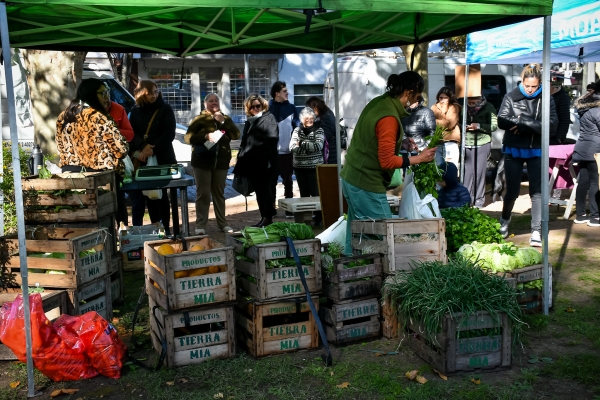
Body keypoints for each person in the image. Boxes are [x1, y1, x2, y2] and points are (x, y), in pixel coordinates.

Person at [340, 71, 437, 255]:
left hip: (353, 178)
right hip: (365, 183)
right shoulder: (389, 118)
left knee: (358, 235)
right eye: (416, 97)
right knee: (385, 238)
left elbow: (375, 140)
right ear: (407, 93)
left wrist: (401, 143)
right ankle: (382, 279)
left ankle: (351, 272)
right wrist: (419, 158)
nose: (416, 103)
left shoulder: (380, 102)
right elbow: (386, 161)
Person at [497, 63, 558, 246]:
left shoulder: (547, 99)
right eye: (527, 86)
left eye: (534, 86)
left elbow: (552, 125)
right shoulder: (510, 96)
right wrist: (533, 124)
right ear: (522, 81)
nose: (530, 90)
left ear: (539, 84)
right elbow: (502, 120)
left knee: (537, 192)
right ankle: (505, 219)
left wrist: (523, 123)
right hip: (513, 148)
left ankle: (536, 230)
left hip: (536, 149)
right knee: (512, 190)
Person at [55, 78, 129, 226]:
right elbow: (121, 150)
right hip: (102, 178)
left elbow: (60, 146)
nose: (107, 97)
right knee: (111, 220)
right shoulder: (99, 116)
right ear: (91, 94)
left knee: (80, 222)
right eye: (103, 93)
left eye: (107, 92)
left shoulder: (63, 116)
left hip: (71, 176)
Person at [185, 93, 240, 234]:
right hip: (202, 162)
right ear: (205, 104)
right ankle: (200, 226)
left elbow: (236, 135)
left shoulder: (225, 119)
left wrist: (223, 122)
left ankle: (223, 224)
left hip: (221, 163)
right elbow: (188, 138)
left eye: (216, 100)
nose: (214, 103)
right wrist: (205, 136)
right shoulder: (199, 119)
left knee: (219, 194)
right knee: (202, 193)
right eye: (211, 101)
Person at [129, 80, 177, 234]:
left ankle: (167, 228)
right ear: (142, 93)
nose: (154, 95)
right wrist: (143, 146)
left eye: (156, 91)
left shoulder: (165, 108)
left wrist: (152, 148)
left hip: (163, 157)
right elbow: (132, 134)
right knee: (147, 195)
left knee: (161, 194)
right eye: (151, 92)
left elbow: (169, 133)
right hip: (142, 159)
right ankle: (153, 226)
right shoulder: (135, 110)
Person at [233, 94, 279, 227]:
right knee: (259, 191)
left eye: (258, 106)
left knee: (265, 190)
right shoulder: (250, 121)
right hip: (252, 163)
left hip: (265, 163)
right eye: (252, 107)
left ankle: (268, 217)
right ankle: (263, 216)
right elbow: (245, 140)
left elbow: (272, 139)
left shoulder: (268, 118)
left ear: (263, 105)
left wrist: (258, 153)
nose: (255, 109)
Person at [290, 107, 325, 226]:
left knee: (316, 194)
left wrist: (301, 143)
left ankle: (319, 218)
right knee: (304, 194)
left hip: (314, 168)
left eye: (311, 118)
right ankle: (306, 219)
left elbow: (318, 146)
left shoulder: (319, 130)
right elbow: (292, 148)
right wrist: (307, 147)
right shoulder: (296, 130)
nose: (310, 120)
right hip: (299, 168)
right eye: (307, 118)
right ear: (302, 119)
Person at [269, 81, 300, 217]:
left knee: (288, 181)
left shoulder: (292, 108)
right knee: (271, 182)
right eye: (284, 91)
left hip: (287, 152)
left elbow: (297, 126)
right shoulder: (268, 108)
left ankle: (289, 210)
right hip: (272, 152)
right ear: (277, 93)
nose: (287, 93)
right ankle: (271, 209)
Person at [572, 83, 600, 226]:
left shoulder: (585, 108)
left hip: (582, 148)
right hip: (595, 151)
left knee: (583, 181)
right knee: (595, 182)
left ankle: (581, 214)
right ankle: (595, 216)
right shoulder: (598, 110)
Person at [463, 94, 497, 208]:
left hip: (482, 142)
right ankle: (466, 200)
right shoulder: (462, 107)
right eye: (469, 99)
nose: (471, 101)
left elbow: (494, 126)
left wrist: (479, 126)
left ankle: (479, 201)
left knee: (479, 173)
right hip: (467, 143)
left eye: (474, 99)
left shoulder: (488, 107)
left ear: (480, 98)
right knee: (467, 173)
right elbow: (456, 123)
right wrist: (463, 126)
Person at [431, 87, 461, 168]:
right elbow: (429, 122)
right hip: (437, 142)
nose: (443, 100)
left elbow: (449, 124)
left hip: (450, 141)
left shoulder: (454, 107)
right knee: (438, 170)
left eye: (445, 98)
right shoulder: (434, 106)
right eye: (441, 97)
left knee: (450, 169)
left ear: (450, 97)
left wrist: (435, 121)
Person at [306, 96, 337, 164]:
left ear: (316, 108)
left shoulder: (327, 117)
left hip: (330, 155)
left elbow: (325, 137)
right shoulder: (324, 115)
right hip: (328, 153)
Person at [550, 79, 572, 145]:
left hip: (554, 136)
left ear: (550, 83)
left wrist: (560, 136)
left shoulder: (561, 96)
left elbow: (565, 118)